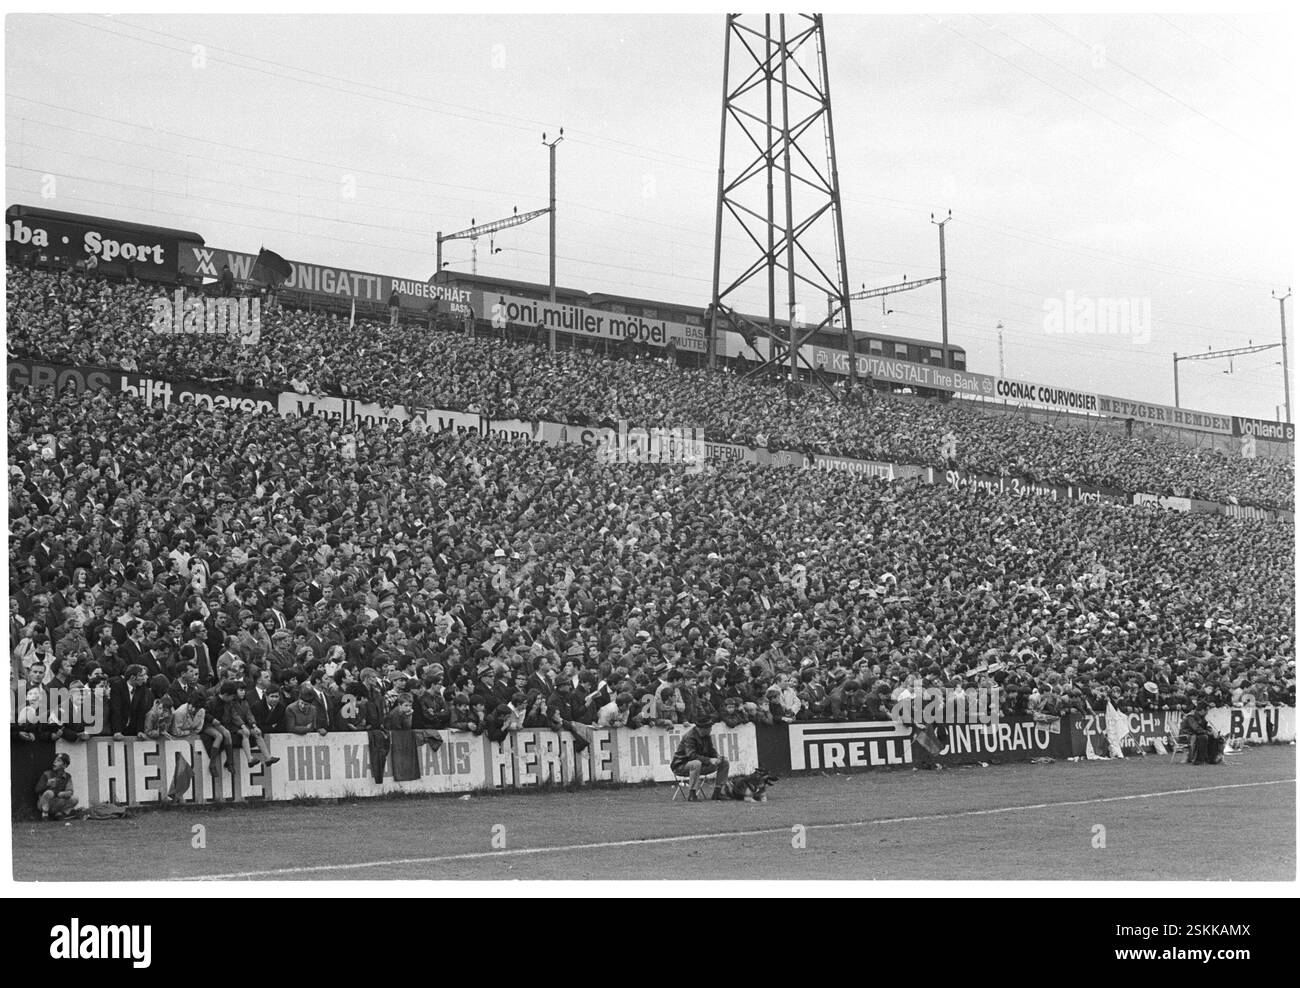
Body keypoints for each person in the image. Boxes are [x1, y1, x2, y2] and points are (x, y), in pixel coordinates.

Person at [670, 713, 730, 801]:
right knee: (696, 763)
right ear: (702, 728)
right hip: (681, 765)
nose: (710, 729)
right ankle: (692, 794)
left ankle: (718, 792)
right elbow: (691, 756)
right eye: (709, 727)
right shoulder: (689, 737)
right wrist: (709, 760)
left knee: (724, 762)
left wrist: (717, 757)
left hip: (700, 764)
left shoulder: (706, 736)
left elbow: (711, 750)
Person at [35, 753, 79, 820]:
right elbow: (37, 790)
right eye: (55, 760)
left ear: (64, 765)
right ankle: (45, 815)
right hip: (44, 803)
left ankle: (60, 814)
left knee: (75, 799)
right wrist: (46, 784)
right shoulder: (47, 774)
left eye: (58, 760)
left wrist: (62, 794)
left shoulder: (67, 777)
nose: (54, 762)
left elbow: (70, 791)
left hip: (58, 803)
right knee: (49, 793)